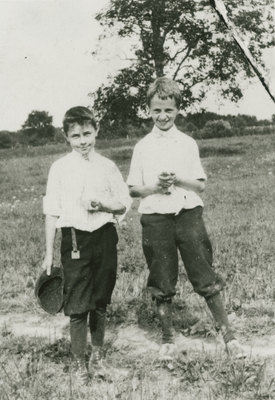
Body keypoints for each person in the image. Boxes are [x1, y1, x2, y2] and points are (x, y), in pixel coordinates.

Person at [127, 77, 244, 360]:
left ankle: (227, 334)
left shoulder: (187, 143)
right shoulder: (142, 147)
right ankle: (167, 337)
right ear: (148, 110)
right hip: (156, 216)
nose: (163, 116)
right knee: (162, 275)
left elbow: (200, 185)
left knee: (203, 270)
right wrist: (155, 186)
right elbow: (133, 189)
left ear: (178, 109)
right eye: (156, 110)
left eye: (168, 110)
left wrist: (177, 179)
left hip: (187, 212)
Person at [42, 106, 131, 383]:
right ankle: (80, 363)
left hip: (104, 236)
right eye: (76, 136)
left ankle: (98, 356)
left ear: (97, 130)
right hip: (74, 239)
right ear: (66, 137)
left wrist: (103, 204)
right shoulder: (60, 168)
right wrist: (48, 253)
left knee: (101, 300)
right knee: (78, 304)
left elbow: (123, 204)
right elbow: (52, 211)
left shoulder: (107, 166)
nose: (83, 141)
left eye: (88, 134)